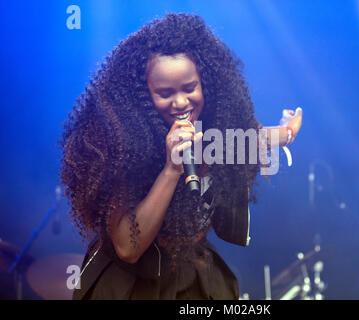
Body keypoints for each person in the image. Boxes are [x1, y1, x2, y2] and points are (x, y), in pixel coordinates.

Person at [60, 13, 302, 300]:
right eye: (164, 93)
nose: (180, 103)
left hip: (191, 278)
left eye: (189, 88)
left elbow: (255, 137)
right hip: (131, 287)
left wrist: (287, 130)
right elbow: (128, 248)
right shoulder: (122, 145)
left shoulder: (216, 129)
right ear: (142, 95)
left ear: (207, 84)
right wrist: (171, 169)